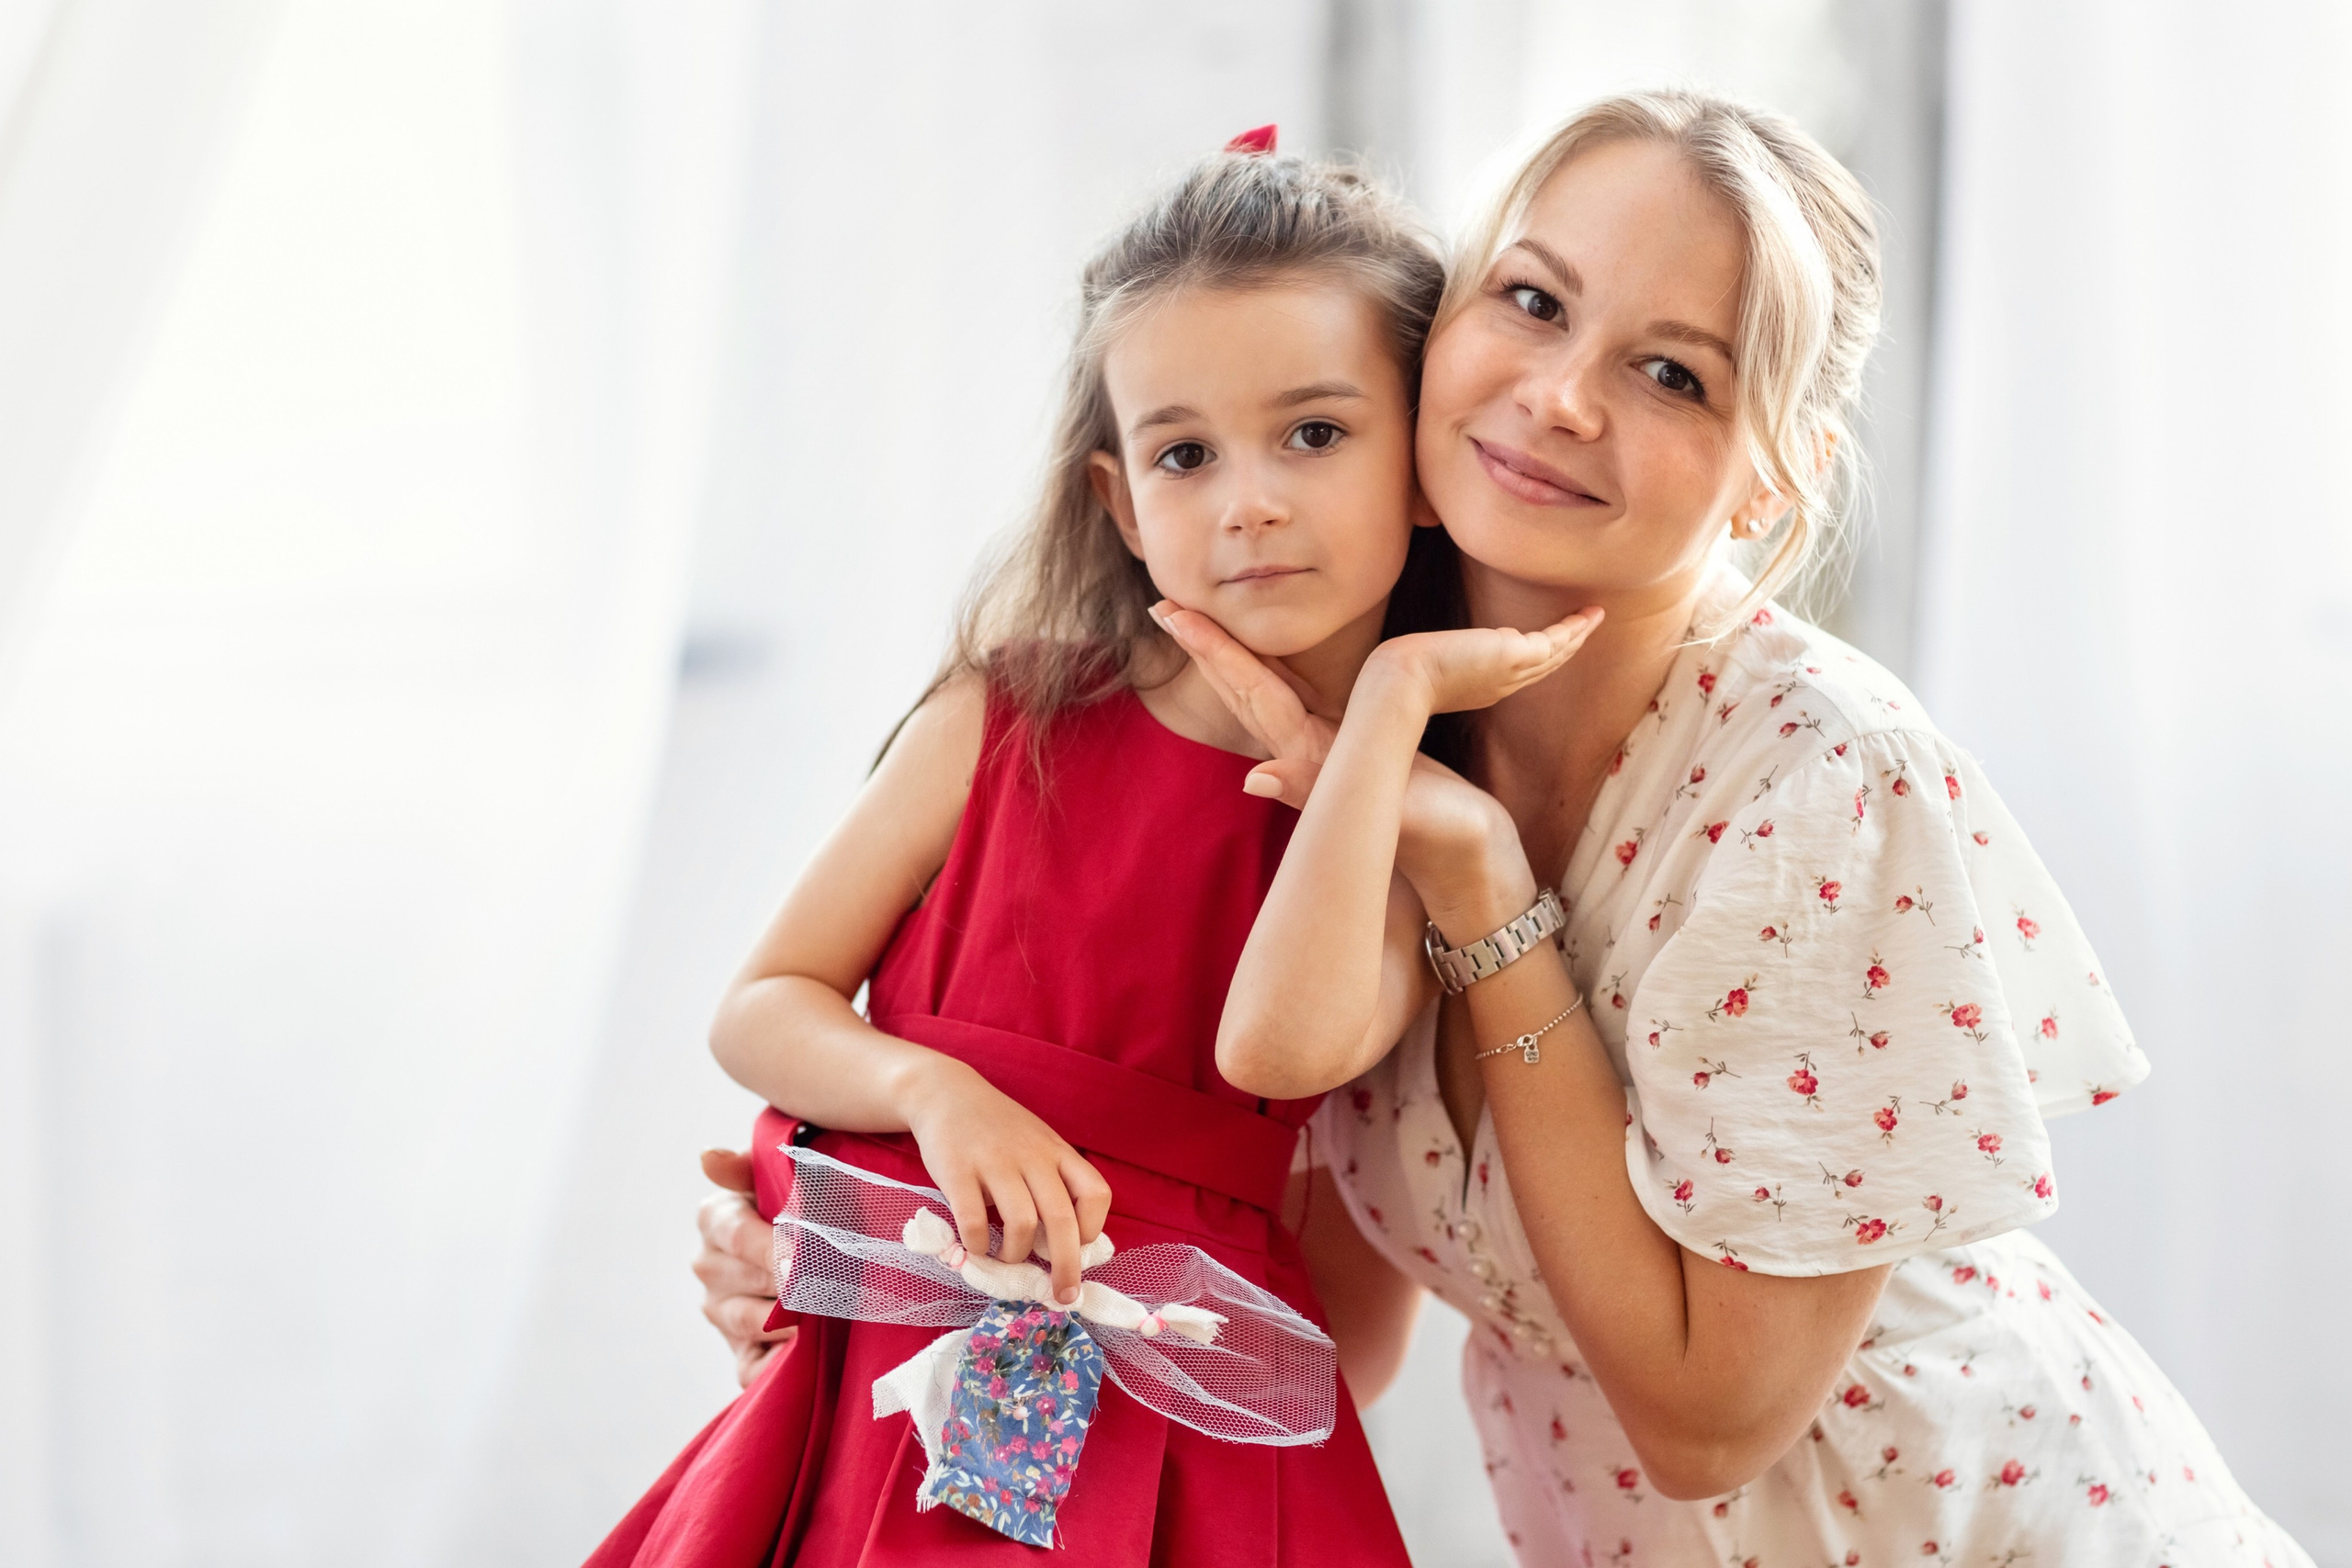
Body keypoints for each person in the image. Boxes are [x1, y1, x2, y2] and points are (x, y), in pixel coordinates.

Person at [1159, 91, 2315, 1566]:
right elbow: (1341, 1320)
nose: (1563, 398)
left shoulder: (1821, 786)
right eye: (1533, 301)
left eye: (1672, 374)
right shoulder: (1368, 715)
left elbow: (1708, 1423)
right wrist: (928, 1257)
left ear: (1777, 480)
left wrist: (1485, 891)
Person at [586, 141, 1507, 1567]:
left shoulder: (1421, 825)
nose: (1249, 502)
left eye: (1315, 434)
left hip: (1182, 1453)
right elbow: (762, 1006)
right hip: (882, 1404)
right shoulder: (1003, 719)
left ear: (1428, 460)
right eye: (1185, 454)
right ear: (1122, 504)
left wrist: (1383, 723)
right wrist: (935, 1095)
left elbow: (1308, 1091)